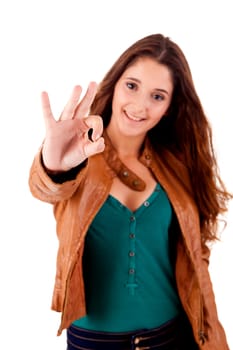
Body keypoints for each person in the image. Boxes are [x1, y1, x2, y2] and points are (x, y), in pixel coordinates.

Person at [28, 33, 232, 350]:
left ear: (170, 106)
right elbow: (45, 187)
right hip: (93, 343)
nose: (139, 105)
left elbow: (196, 260)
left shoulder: (177, 166)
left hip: (172, 337)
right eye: (132, 86)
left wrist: (215, 340)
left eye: (158, 96)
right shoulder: (76, 156)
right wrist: (54, 165)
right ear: (116, 82)